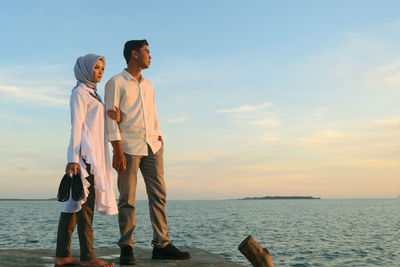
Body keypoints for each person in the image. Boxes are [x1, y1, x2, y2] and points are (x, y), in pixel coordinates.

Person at [105, 40, 190, 265]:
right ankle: (126, 246)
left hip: (153, 146)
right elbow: (110, 119)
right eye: (146, 52)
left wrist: (159, 137)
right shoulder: (116, 82)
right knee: (127, 199)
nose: (150, 56)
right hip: (128, 148)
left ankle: (161, 244)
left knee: (159, 195)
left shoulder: (149, 85)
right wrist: (117, 150)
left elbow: (153, 114)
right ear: (134, 54)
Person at [55, 54, 117, 267]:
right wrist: (73, 158)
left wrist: (114, 116)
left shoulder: (93, 94)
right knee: (84, 206)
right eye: (96, 68)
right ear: (84, 69)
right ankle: (88, 256)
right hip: (85, 156)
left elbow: (97, 124)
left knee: (74, 205)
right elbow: (77, 126)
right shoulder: (80, 93)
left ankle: (62, 256)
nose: (100, 71)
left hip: (94, 155)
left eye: (102, 68)